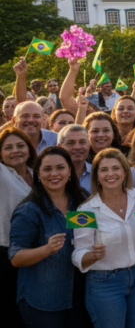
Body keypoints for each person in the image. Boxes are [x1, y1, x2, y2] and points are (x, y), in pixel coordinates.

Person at [72, 148, 135, 328]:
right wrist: (91, 256)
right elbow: (78, 253)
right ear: (96, 176)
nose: (110, 174)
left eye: (116, 168)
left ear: (125, 172)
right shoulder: (84, 210)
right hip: (104, 283)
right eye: (103, 170)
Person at [9, 146, 88, 328]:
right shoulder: (28, 210)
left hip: (79, 297)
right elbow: (16, 257)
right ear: (37, 174)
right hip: (43, 301)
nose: (54, 174)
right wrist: (47, 249)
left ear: (70, 171)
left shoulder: (82, 200)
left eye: (60, 167)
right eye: (47, 169)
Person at [1, 127, 36, 328]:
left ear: (29, 150)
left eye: (21, 145)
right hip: (5, 249)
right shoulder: (2, 172)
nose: (15, 150)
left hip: (36, 251)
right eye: (8, 147)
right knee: (9, 311)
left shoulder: (38, 174)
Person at [60, 123, 93, 191]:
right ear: (60, 147)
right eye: (71, 143)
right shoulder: (53, 175)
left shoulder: (97, 172)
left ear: (89, 146)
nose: (77, 147)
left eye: (82, 142)